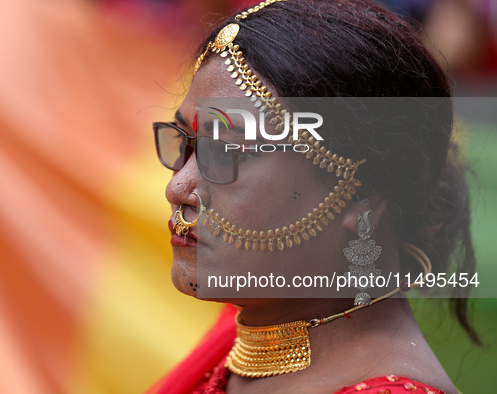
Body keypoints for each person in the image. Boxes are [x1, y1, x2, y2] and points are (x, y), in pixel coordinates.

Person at [150, 0, 479, 393]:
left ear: (363, 195)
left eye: (226, 152)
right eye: (185, 143)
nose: (177, 188)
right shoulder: (238, 346)